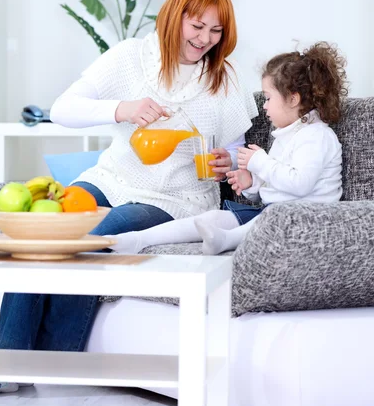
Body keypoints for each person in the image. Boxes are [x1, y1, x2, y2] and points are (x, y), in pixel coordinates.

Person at [0, 0, 258, 399]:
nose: (204, 39)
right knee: (47, 230)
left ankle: (57, 362)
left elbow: (233, 153)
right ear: (173, 16)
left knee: (104, 231)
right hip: (109, 177)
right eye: (196, 26)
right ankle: (9, 362)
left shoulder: (222, 79)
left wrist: (226, 165)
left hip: (174, 198)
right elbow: (64, 108)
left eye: (215, 31)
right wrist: (123, 109)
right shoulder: (131, 58)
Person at [107, 42, 347, 256]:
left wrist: (260, 163)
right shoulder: (287, 134)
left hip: (309, 220)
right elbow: (276, 187)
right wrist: (251, 182)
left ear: (293, 99)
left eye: (268, 98)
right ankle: (140, 239)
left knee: (267, 220)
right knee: (213, 217)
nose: (264, 107)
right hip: (274, 213)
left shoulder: (316, 136)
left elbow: (299, 183)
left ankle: (226, 240)